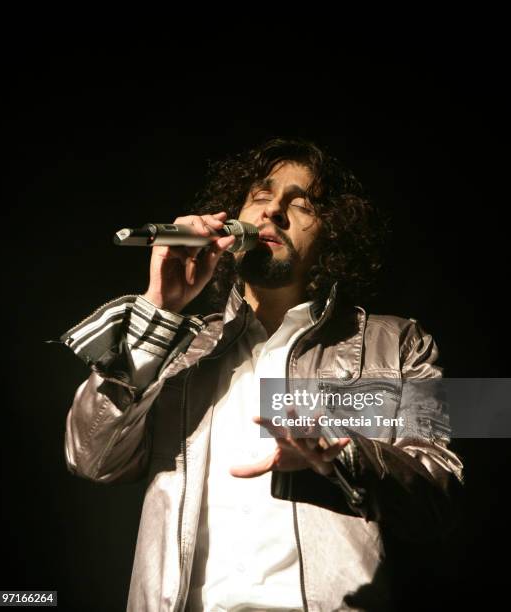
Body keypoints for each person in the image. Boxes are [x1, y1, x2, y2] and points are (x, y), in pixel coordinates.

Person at [61, 138, 464, 611]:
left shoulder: (397, 342)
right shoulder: (178, 349)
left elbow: (442, 488)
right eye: (260, 196)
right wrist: (158, 310)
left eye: (302, 204)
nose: (273, 212)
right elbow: (90, 458)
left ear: (333, 235)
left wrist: (341, 456)